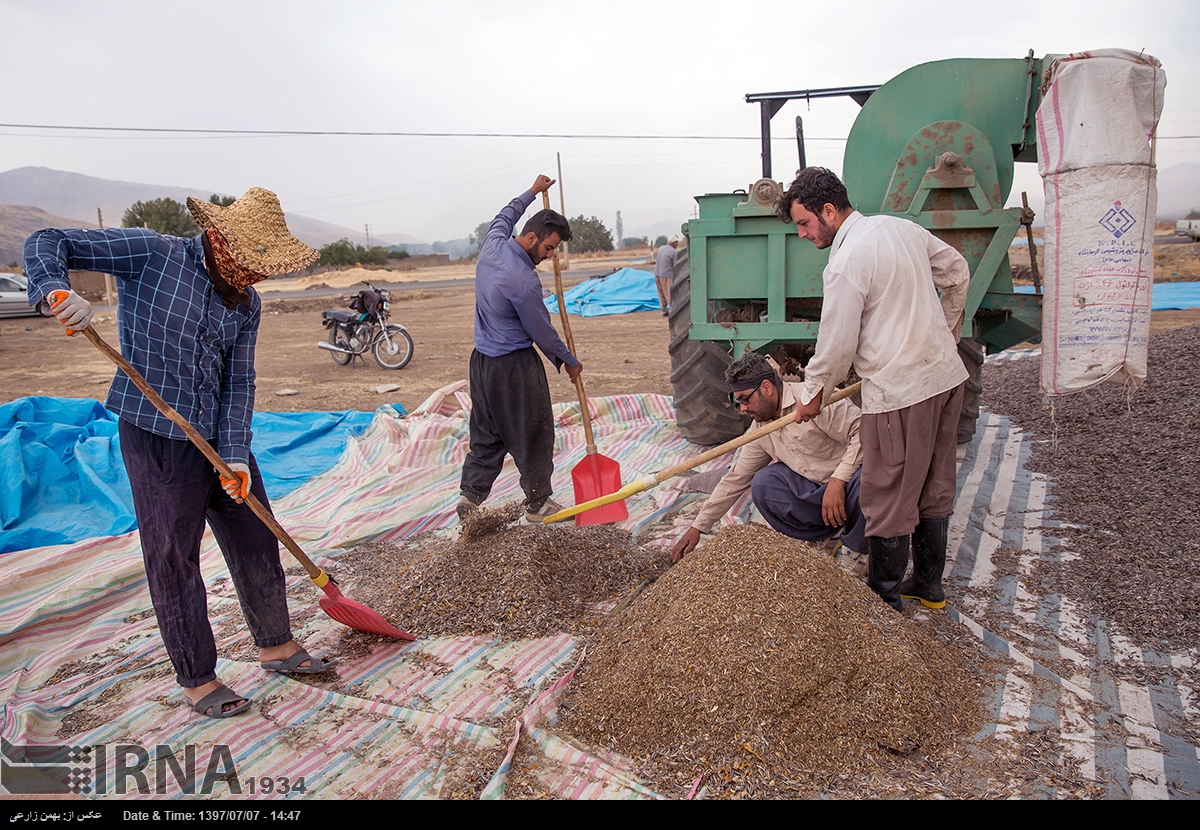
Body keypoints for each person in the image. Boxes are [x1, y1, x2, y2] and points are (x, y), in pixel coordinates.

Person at [24, 188, 336, 719]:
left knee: (256, 534)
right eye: (246, 264)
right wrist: (55, 291)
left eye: (262, 270)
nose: (252, 278)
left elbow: (239, 380)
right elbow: (45, 241)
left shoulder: (248, 303)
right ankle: (198, 676)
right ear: (216, 237)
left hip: (219, 439)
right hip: (157, 435)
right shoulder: (152, 253)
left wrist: (235, 452)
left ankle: (276, 644)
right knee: (173, 555)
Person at [776, 167, 969, 612]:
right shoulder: (902, 229)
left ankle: (883, 604)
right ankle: (928, 587)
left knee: (887, 494)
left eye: (805, 223)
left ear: (829, 210)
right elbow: (957, 272)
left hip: (902, 392)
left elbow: (836, 342)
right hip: (946, 377)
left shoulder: (846, 262)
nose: (803, 234)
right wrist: (949, 331)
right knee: (934, 485)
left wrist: (811, 395)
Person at [458, 175, 582, 524]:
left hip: (480, 364)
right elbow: (541, 331)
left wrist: (533, 191)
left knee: (487, 431)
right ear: (531, 238)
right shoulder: (524, 282)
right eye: (549, 247)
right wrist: (570, 362)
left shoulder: (492, 243)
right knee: (534, 430)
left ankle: (471, 495)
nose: (551, 255)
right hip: (513, 367)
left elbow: (507, 212)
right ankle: (539, 504)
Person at [670, 352, 865, 567]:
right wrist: (697, 528)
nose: (743, 409)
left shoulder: (812, 400)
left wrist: (838, 481)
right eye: (738, 403)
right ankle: (827, 535)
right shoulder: (761, 431)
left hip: (850, 483)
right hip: (819, 495)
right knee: (764, 483)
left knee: (870, 480)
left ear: (766, 387)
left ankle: (856, 551)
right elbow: (735, 479)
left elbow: (864, 433)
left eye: (745, 399)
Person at [653, 235, 680, 317]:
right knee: (668, 293)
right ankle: (673, 309)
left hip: (657, 273)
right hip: (666, 275)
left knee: (661, 293)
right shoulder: (673, 252)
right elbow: (675, 266)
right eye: (677, 243)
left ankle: (664, 310)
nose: (677, 245)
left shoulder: (661, 248)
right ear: (674, 243)